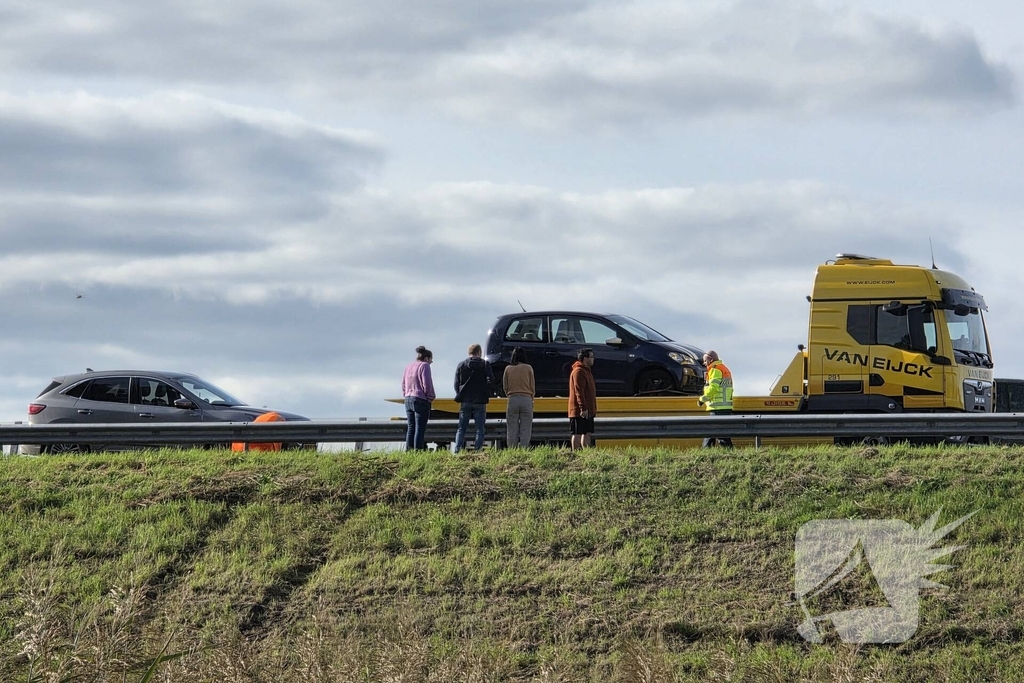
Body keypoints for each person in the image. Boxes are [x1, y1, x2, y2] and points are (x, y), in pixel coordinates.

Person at [454, 343, 495, 452]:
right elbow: (492, 381)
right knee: (480, 428)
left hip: (465, 400)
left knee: (461, 428)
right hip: (480, 400)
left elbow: (456, 383)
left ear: (469, 353)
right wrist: (487, 392)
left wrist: (460, 393)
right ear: (479, 353)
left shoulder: (461, 365)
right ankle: (478, 450)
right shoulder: (485, 364)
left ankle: (457, 450)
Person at [698, 350, 733, 447]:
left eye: (705, 361)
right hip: (725, 406)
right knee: (716, 432)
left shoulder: (715, 369)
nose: (704, 363)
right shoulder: (724, 368)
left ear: (711, 359)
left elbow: (713, 388)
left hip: (717, 407)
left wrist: (702, 399)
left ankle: (725, 453)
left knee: (718, 433)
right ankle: (709, 452)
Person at [402, 346, 435, 450]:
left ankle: (409, 450)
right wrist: (430, 397)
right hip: (420, 399)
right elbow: (427, 384)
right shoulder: (424, 366)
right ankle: (418, 451)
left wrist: (406, 394)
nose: (431, 362)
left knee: (411, 427)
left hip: (408, 398)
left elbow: (403, 384)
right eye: (431, 360)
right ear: (426, 358)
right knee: (420, 428)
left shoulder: (408, 366)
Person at [503, 347, 535, 448]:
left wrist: (509, 394)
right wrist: (532, 397)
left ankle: (512, 449)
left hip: (512, 398)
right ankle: (524, 448)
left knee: (512, 428)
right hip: (526, 399)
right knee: (526, 428)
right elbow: (532, 385)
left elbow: (505, 386)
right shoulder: (528, 368)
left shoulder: (508, 368)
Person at [568, 348, 597, 450]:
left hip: (587, 409)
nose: (593, 359)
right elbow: (579, 391)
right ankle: (575, 453)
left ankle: (586, 454)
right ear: (585, 359)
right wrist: (583, 408)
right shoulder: (578, 371)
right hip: (579, 410)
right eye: (591, 357)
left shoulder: (587, 371)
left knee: (586, 432)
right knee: (577, 433)